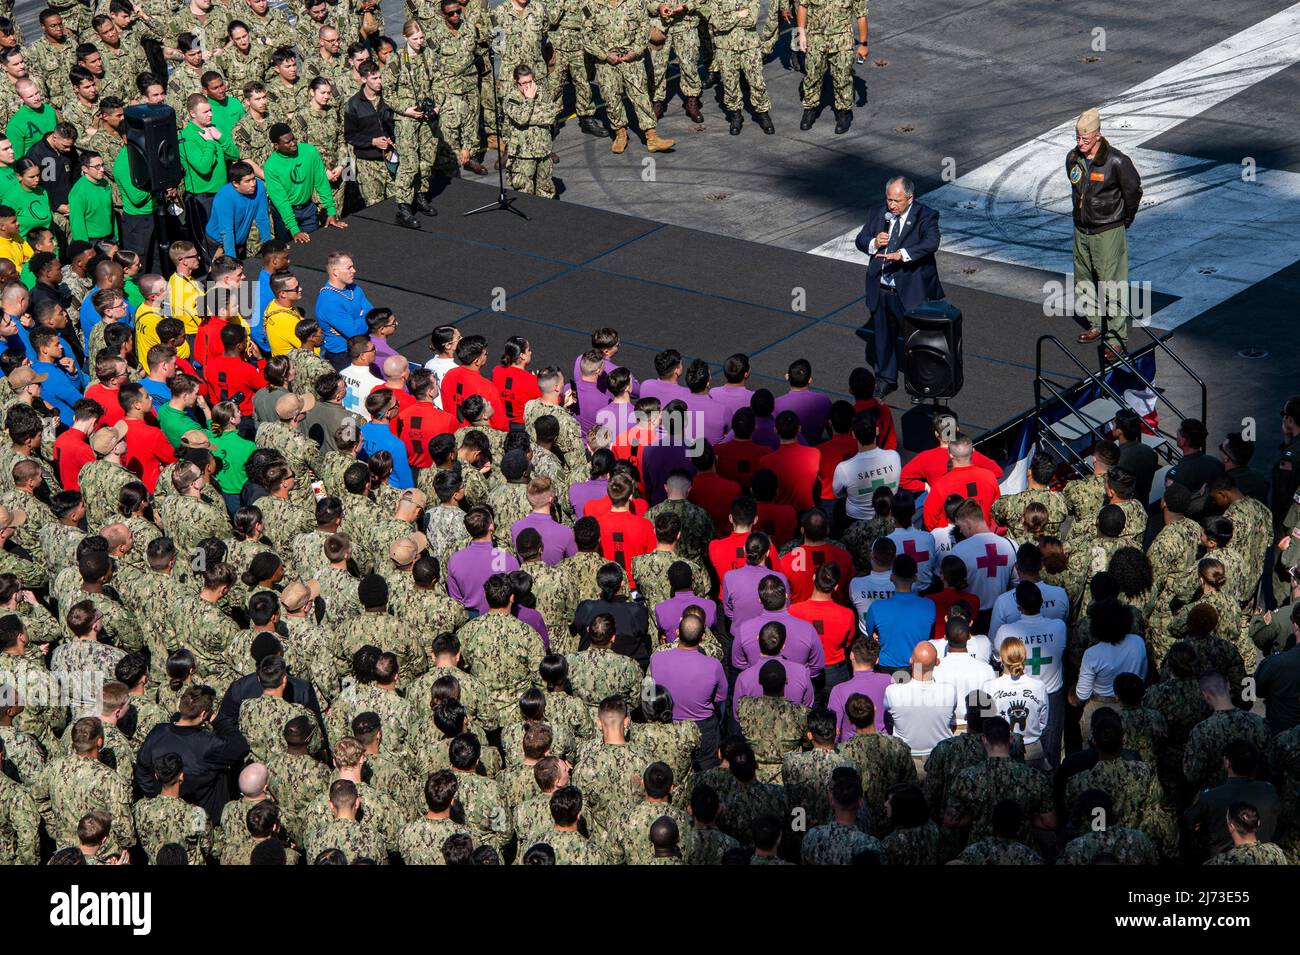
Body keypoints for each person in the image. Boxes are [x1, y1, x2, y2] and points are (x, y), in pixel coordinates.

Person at [852, 176, 944, 398]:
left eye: (897, 201)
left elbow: (931, 243)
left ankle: (921, 383)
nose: (891, 205)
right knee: (882, 338)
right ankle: (886, 379)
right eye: (889, 199)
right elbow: (860, 239)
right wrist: (874, 242)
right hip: (882, 289)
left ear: (910, 198)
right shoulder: (878, 213)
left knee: (917, 341)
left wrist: (902, 255)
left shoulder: (926, 215)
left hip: (910, 292)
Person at [1068, 107, 1143, 359]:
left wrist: (1125, 219)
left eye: (1085, 139)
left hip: (1107, 230)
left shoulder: (1116, 162)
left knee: (1112, 285)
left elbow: (1133, 192)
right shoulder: (1073, 159)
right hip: (1081, 229)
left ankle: (1116, 338)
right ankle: (1096, 325)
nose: (1080, 144)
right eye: (1077, 138)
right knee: (1084, 279)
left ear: (1098, 136)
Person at [263, 122, 345, 244]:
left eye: (293, 139)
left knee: (312, 247)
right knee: (287, 251)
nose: (293, 144)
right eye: (287, 142)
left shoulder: (309, 151)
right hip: (284, 214)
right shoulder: (271, 166)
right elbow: (281, 201)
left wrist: (331, 211)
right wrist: (294, 229)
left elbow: (321, 183)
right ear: (276, 145)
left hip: (307, 209)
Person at [501, 65, 558, 199]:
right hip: (523, 154)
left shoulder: (542, 92)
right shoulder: (511, 99)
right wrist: (530, 100)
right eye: (524, 83)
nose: (529, 86)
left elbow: (551, 114)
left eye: (531, 82)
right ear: (517, 82)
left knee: (546, 190)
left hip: (543, 150)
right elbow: (521, 118)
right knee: (524, 192)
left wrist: (530, 115)